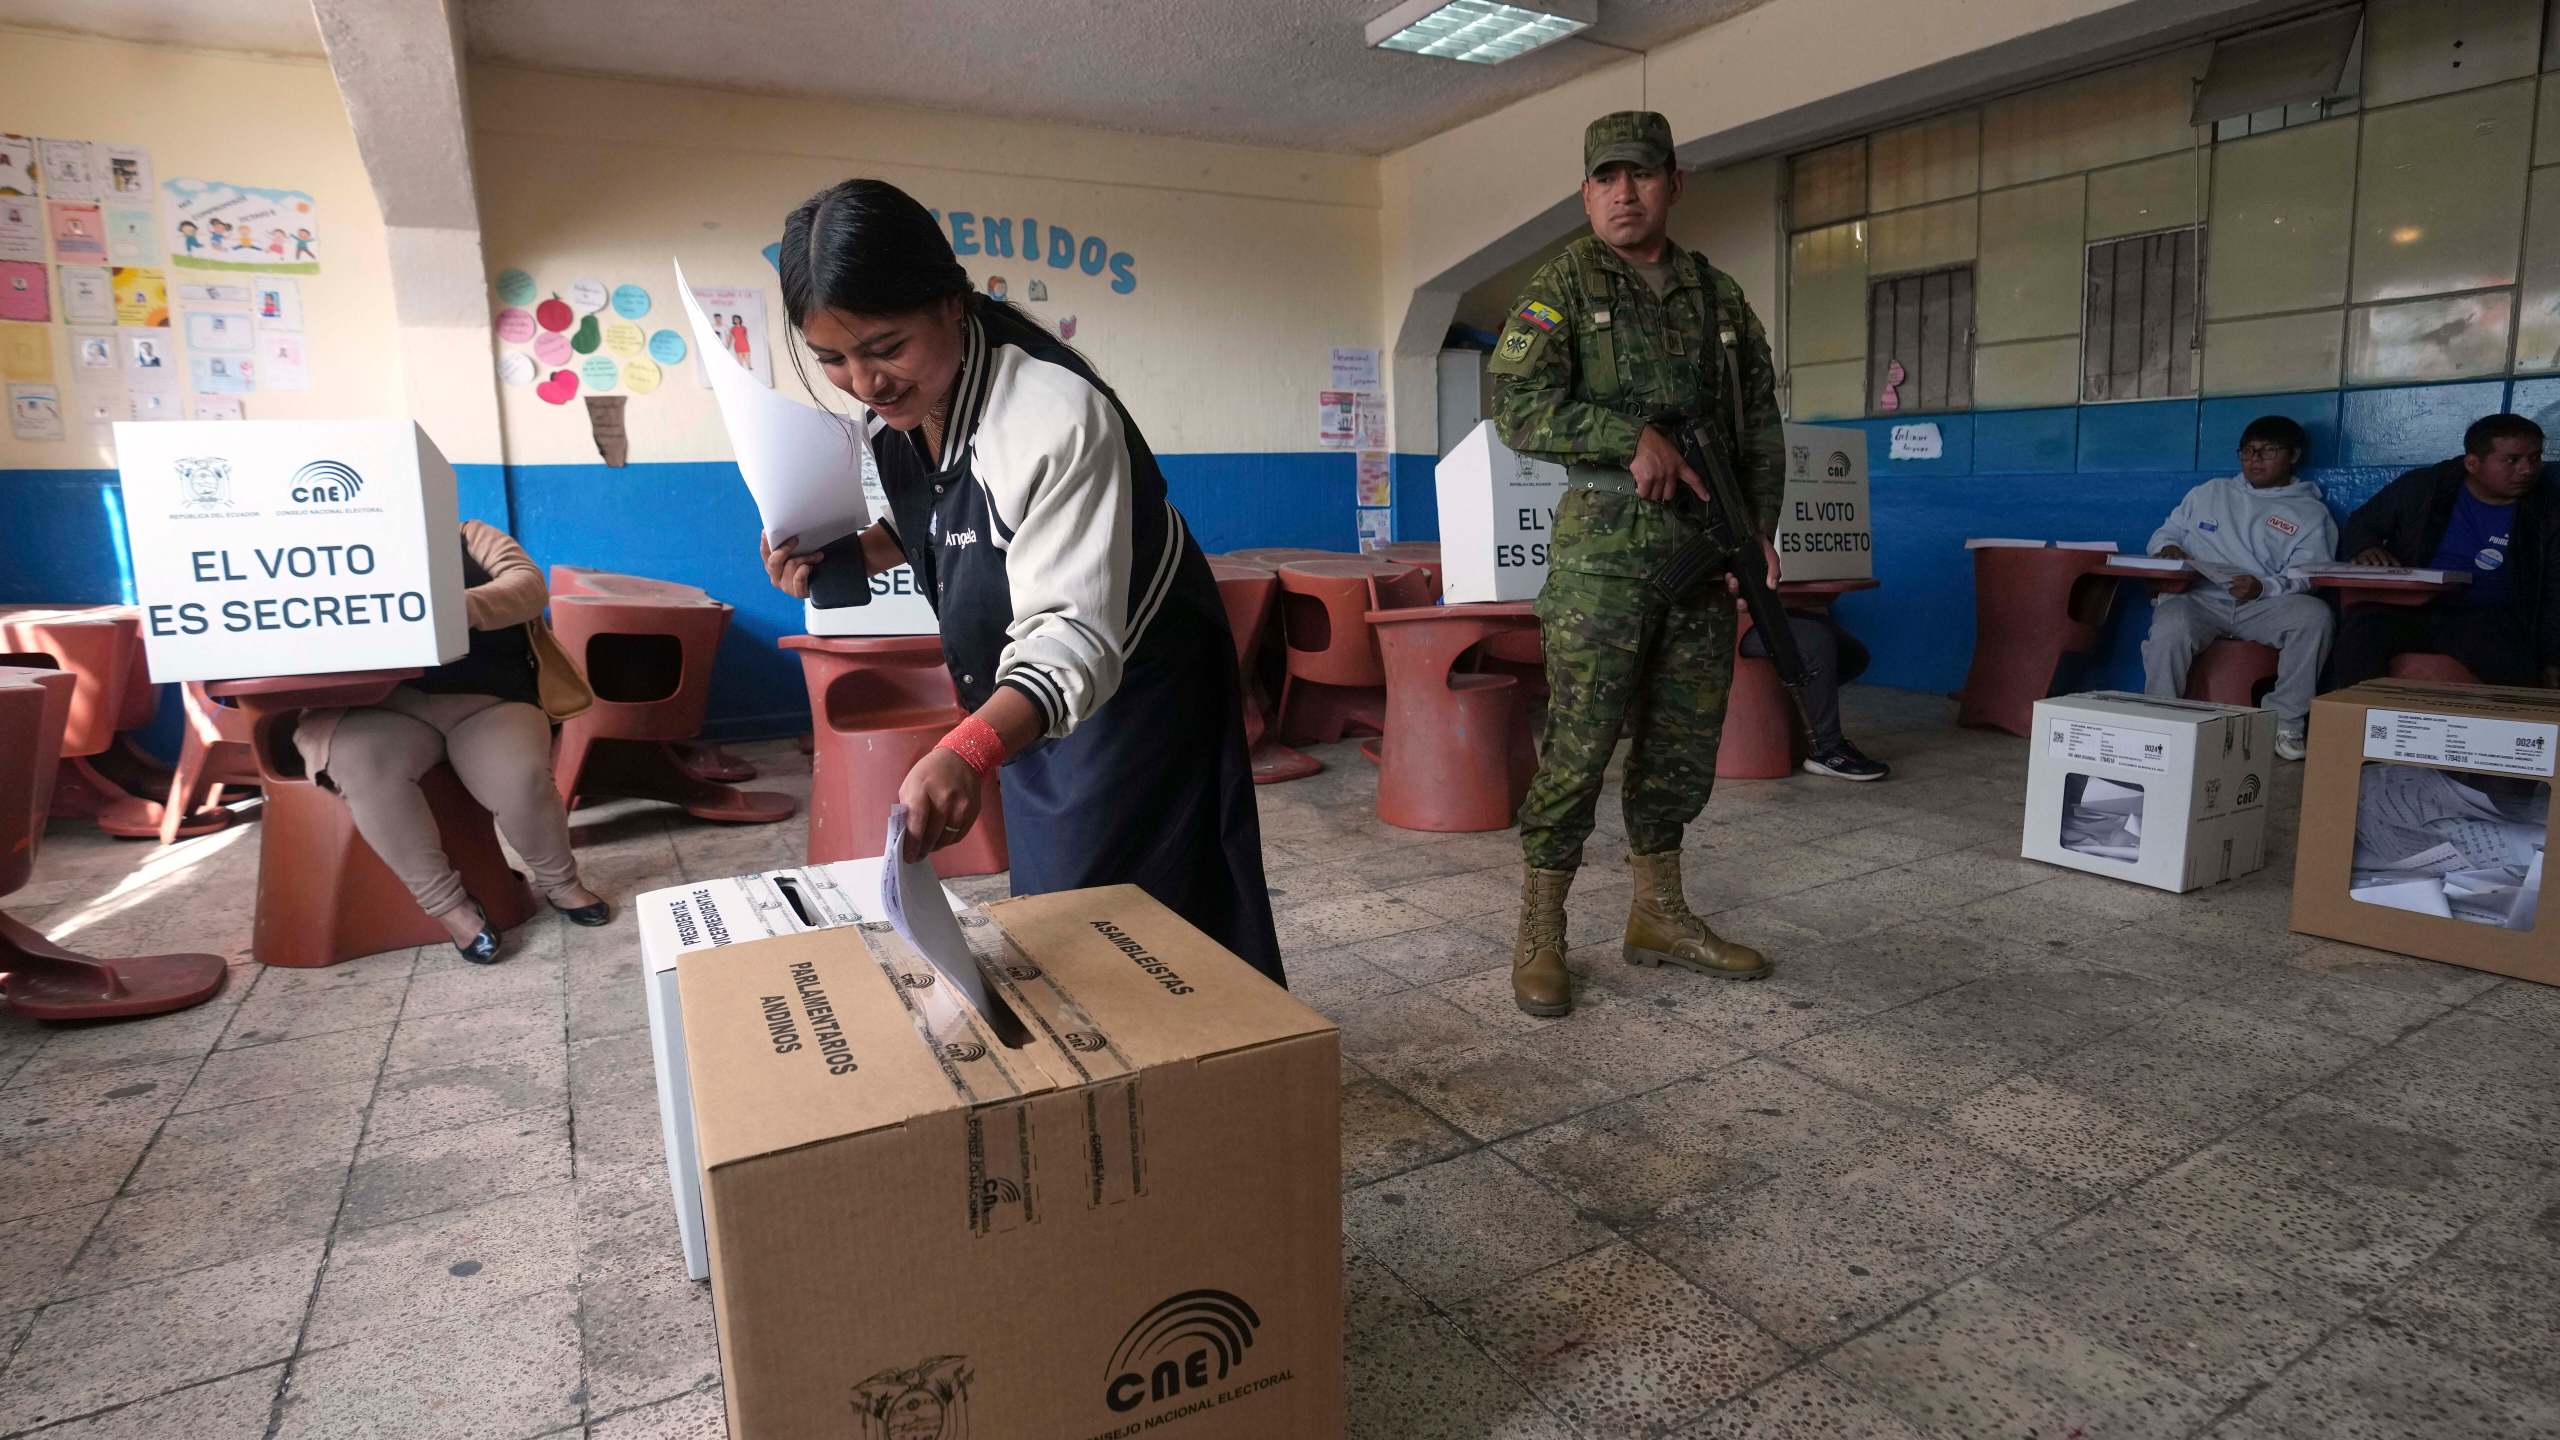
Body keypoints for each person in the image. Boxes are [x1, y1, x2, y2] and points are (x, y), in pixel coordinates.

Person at [759, 178, 1282, 985]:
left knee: (1122, 914)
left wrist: (968, 746)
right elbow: (932, 518)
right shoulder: (905, 413)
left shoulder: (1053, 415)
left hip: (1136, 690)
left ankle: (1210, 1074)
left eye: (886, 347)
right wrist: (843, 558)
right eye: (833, 358)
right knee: (1060, 904)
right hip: (1028, 689)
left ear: (951, 304)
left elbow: (1073, 637)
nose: (865, 383)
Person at [1487, 111, 1785, 1018]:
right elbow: (1516, 404)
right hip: (1604, 563)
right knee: (1579, 747)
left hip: (1700, 553)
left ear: (1673, 183)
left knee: (1682, 745)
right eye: (1607, 178)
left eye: (1642, 175)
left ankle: (1658, 914)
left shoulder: (1719, 297)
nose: (1625, 193)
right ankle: (1542, 931)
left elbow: (1760, 424)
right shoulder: (1564, 287)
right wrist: (1629, 437)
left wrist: (1758, 530)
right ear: (1586, 192)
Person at [293, 521, 608, 963]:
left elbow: (528, 585)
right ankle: (451, 909)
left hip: (486, 698)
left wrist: (451, 608)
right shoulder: (309, 551)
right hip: (377, 708)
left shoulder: (468, 534)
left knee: (519, 780)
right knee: (361, 768)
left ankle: (561, 883)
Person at [2137, 415, 2337, 759]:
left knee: (2314, 616)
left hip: (2261, 604)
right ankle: (2161, 718)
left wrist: (2263, 588)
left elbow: (2309, 573)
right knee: (2171, 624)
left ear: (2294, 455)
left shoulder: (2310, 512)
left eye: (2268, 451)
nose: (2254, 460)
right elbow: (2165, 533)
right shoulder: (2210, 493)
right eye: (2247, 451)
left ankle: (2286, 723)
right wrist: (2165, 549)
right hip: (2200, 598)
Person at [2331, 413, 2560, 690]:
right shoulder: (2426, 487)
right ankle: (2349, 727)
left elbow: (2554, 592)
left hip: (2487, 617)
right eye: (2512, 460)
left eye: (2534, 458)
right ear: (2473, 464)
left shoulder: (2547, 511)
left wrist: (2552, 658)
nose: (2527, 470)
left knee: (2511, 666)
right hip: (2410, 608)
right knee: (2360, 634)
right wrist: (2365, 546)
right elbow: (2363, 522)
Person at [1739, 612, 1887, 780]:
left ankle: (1807, 722)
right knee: (1816, 640)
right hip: (1724, 622)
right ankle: (1826, 749)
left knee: (1851, 652)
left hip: (1760, 609)